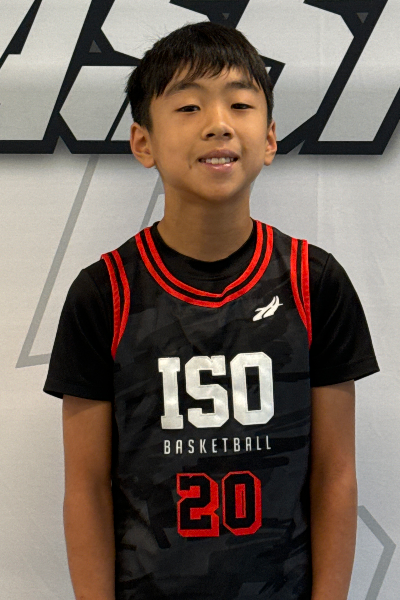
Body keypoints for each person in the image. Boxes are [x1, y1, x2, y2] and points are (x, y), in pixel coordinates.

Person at [44, 21, 379, 600]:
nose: (219, 123)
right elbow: (87, 490)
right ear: (143, 143)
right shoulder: (103, 294)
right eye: (189, 106)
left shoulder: (315, 284)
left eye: (240, 104)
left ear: (269, 139)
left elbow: (335, 475)